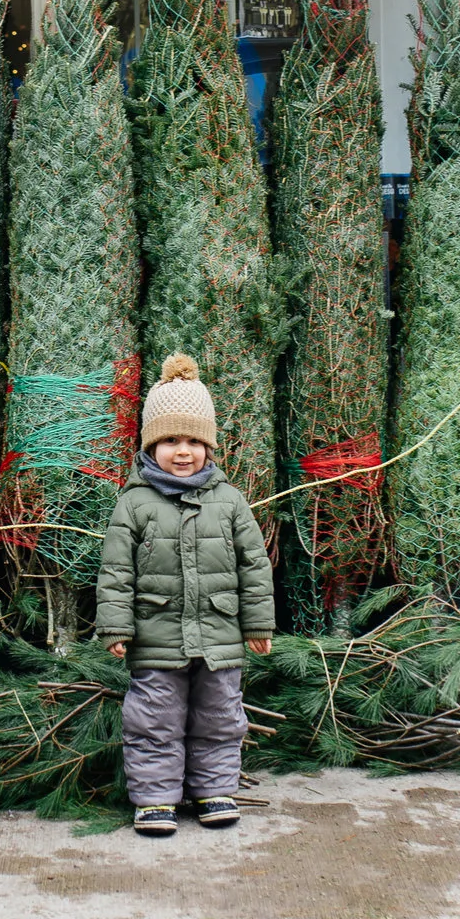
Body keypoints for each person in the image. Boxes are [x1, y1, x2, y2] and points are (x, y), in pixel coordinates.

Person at [95, 353, 274, 837]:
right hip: (156, 634)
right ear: (151, 444)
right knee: (154, 717)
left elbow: (253, 565)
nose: (183, 451)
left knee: (219, 715)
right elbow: (116, 570)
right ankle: (155, 799)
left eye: (194, 440)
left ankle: (214, 789)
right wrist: (116, 626)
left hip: (219, 631)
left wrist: (257, 624)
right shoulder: (134, 503)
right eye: (170, 439)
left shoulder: (230, 500)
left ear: (209, 446)